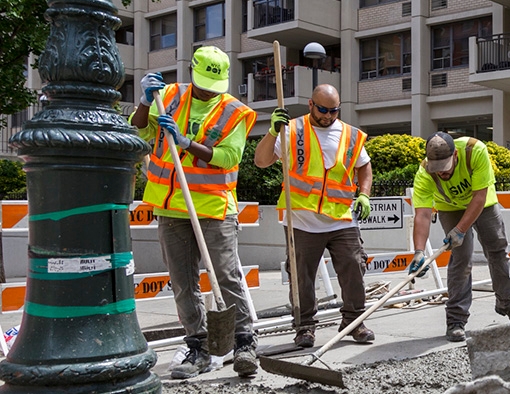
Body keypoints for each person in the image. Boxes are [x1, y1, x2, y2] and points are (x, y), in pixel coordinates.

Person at [130, 46, 259, 379]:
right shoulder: (167, 96)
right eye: (203, 84)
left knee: (227, 277)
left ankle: (244, 342)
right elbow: (139, 131)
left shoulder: (235, 111)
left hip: (214, 208)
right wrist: (145, 102)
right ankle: (197, 347)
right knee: (183, 282)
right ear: (191, 72)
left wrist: (186, 143)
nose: (208, 91)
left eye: (214, 86)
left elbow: (229, 157)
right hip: (171, 207)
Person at [253, 84, 376, 348]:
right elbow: (261, 161)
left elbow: (364, 168)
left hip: (341, 217)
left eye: (334, 110)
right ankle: (304, 327)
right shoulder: (292, 130)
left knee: (354, 268)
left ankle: (354, 321)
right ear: (310, 104)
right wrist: (272, 130)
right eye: (323, 110)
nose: (328, 116)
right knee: (301, 277)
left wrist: (364, 194)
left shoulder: (349, 135)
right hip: (302, 218)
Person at [409, 132, 510, 342]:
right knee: (461, 258)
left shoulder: (474, 151)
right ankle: (456, 320)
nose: (442, 175)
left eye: (445, 169)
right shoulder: (424, 173)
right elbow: (423, 214)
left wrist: (460, 229)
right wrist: (419, 252)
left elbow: (479, 197)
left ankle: (508, 303)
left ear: (455, 155)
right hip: (449, 207)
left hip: (482, 204)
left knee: (497, 250)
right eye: (437, 171)